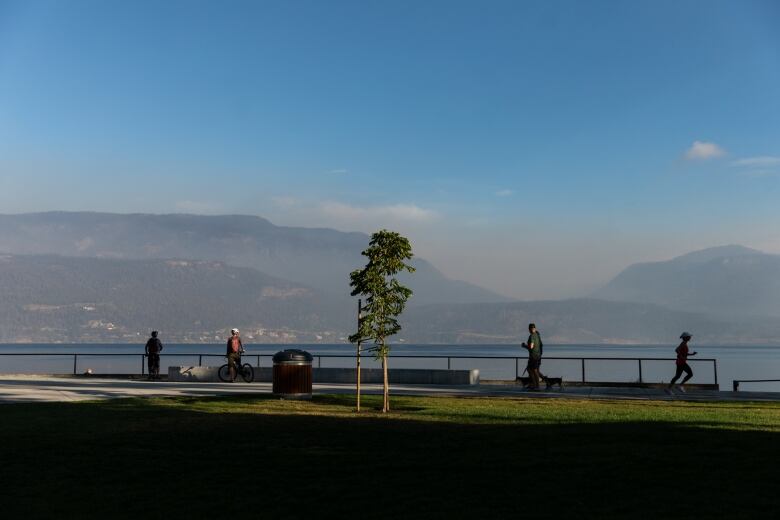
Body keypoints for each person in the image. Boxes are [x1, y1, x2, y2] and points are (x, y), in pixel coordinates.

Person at [521, 323, 543, 390]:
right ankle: (535, 384)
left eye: (530, 329)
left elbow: (531, 347)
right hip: (538, 356)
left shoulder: (532, 336)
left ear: (529, 329)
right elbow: (541, 345)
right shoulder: (537, 335)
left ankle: (535, 385)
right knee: (534, 370)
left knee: (532, 370)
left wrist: (524, 346)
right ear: (535, 328)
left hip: (533, 356)